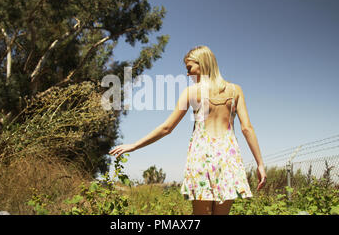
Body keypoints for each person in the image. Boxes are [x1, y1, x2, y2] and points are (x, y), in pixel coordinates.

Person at [109, 45, 266, 215]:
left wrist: (134, 145)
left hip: (201, 158)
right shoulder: (235, 90)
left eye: (190, 67)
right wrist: (260, 164)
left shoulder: (191, 92)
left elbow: (167, 127)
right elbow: (247, 128)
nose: (187, 73)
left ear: (203, 64)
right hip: (229, 159)